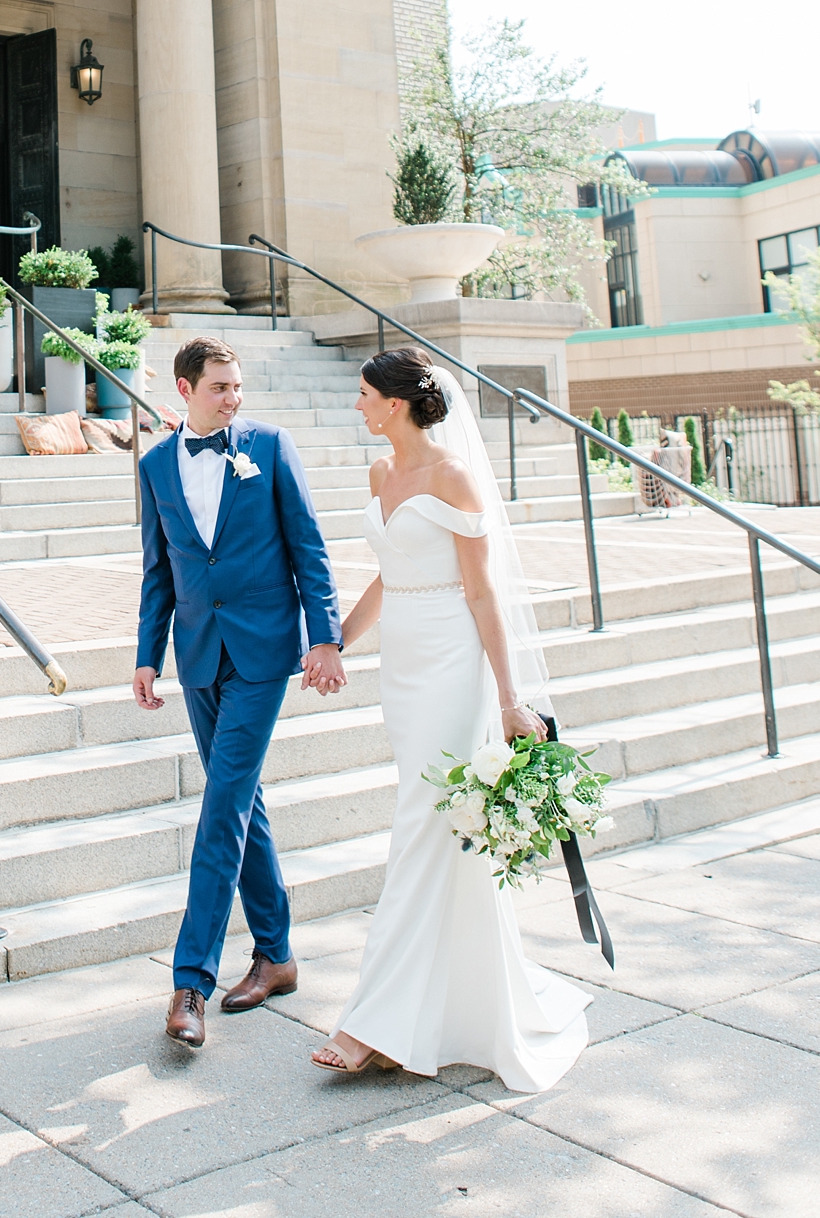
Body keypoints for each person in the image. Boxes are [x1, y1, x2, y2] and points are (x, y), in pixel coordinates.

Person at [310, 346, 590, 1093]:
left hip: (452, 666)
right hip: (401, 666)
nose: (358, 406)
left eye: (365, 395)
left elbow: (483, 593)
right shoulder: (380, 474)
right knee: (435, 829)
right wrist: (335, 640)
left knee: (420, 825)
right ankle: (450, 1008)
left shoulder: (454, 476)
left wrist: (508, 696)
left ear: (395, 404)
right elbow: (387, 575)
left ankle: (371, 1024)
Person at [134, 335, 344, 1049]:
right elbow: (158, 568)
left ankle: (189, 980)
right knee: (243, 802)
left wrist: (325, 637)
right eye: (221, 387)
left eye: (238, 385)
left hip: (261, 653)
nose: (234, 397)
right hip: (197, 655)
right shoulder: (156, 465)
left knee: (222, 806)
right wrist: (145, 655)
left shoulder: (271, 446)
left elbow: (308, 545)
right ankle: (277, 957)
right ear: (186, 388)